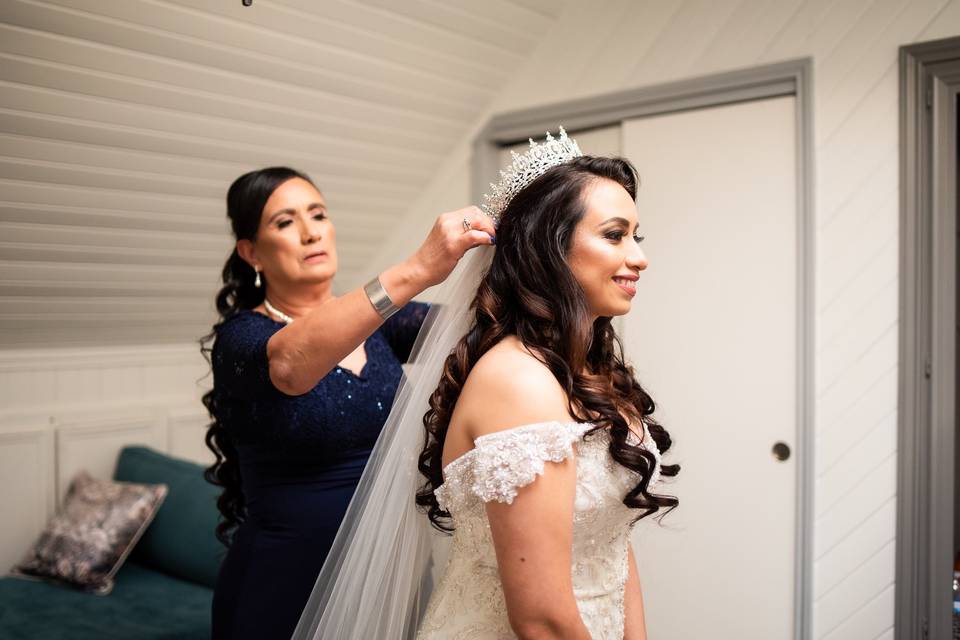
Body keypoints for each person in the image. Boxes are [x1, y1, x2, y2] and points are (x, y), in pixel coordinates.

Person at [293, 130, 679, 640]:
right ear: (550, 250)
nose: (639, 257)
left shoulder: (584, 369)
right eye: (614, 235)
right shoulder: (518, 382)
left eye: (637, 236)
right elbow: (539, 618)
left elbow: (611, 544)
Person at [201, 166, 495, 640]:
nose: (310, 230)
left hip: (383, 576)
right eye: (284, 222)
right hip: (284, 584)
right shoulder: (241, 339)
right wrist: (420, 267)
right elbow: (291, 364)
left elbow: (476, 326)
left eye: (318, 214)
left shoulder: (381, 328)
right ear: (251, 253)